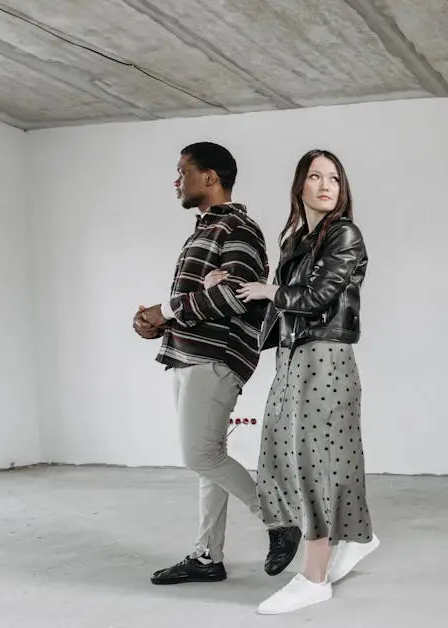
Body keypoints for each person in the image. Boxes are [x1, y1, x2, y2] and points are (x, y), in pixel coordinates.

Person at [204, 149, 378, 614]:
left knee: (312, 463)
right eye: (316, 176)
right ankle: (356, 537)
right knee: (287, 457)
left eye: (334, 178)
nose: (326, 185)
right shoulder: (296, 241)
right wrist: (234, 287)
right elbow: (280, 310)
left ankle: (315, 577)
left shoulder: (343, 234)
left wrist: (271, 290)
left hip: (325, 357)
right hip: (294, 357)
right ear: (300, 184)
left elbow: (319, 296)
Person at [132, 141, 301, 585]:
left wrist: (167, 309)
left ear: (209, 177)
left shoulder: (238, 228)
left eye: (182, 171)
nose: (176, 181)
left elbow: (234, 296)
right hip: (191, 354)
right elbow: (204, 301)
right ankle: (207, 557)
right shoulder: (205, 230)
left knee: (201, 455)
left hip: (216, 358)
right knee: (211, 458)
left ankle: (279, 519)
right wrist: (159, 324)